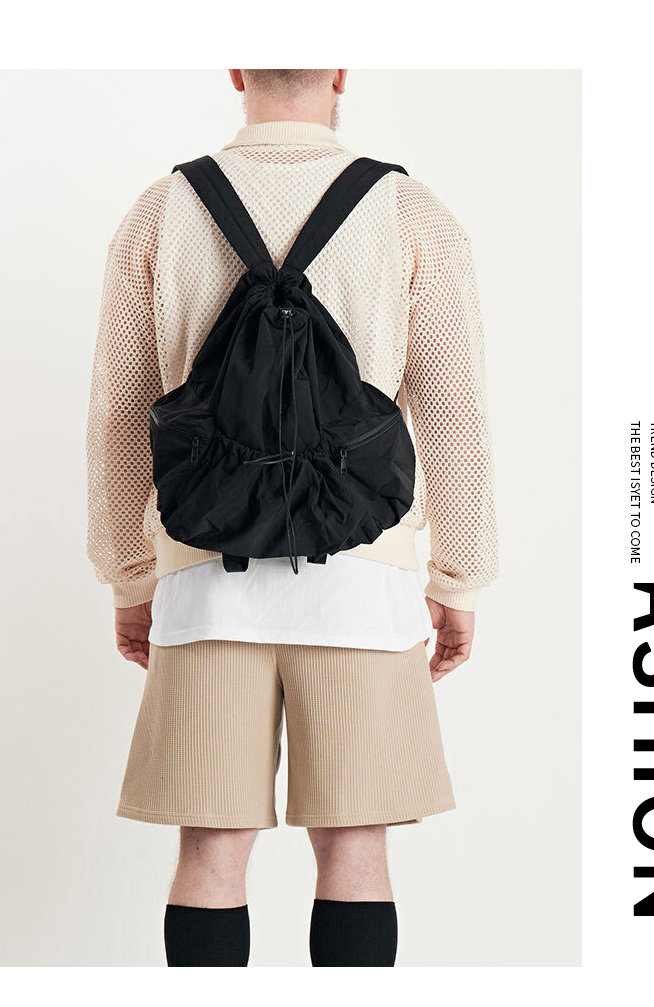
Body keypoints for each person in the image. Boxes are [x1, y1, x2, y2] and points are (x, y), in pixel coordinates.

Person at [86, 68, 498, 967]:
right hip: (364, 579)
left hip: (203, 575)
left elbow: (121, 413)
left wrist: (129, 575)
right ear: (341, 73)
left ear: (237, 72)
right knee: (354, 846)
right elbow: (453, 410)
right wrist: (458, 578)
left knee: (210, 848)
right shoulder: (410, 212)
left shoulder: (162, 210)